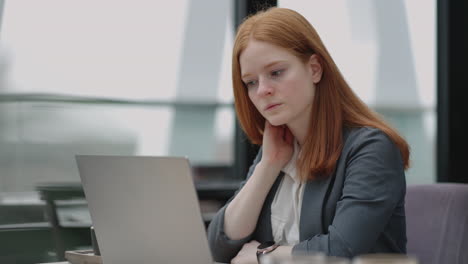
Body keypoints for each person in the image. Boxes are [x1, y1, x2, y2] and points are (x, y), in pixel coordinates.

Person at [207, 7, 410, 264]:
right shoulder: (277, 149)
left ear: (314, 69)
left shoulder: (371, 149)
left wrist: (263, 255)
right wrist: (268, 165)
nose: (263, 90)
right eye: (251, 82)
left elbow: (341, 251)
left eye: (276, 72)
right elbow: (219, 246)